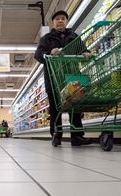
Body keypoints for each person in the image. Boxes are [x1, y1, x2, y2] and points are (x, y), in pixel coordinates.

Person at [34, 10, 92, 147]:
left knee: (75, 106)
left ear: (66, 22)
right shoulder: (46, 39)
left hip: (71, 77)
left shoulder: (74, 36)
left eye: (63, 19)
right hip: (53, 77)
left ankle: (77, 136)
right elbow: (38, 54)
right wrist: (48, 53)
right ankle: (56, 136)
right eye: (57, 19)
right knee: (55, 108)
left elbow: (83, 49)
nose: (60, 21)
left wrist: (86, 53)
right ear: (53, 23)